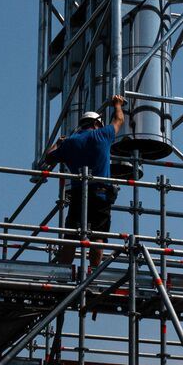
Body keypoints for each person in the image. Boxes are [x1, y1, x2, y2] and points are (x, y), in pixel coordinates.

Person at [42, 94, 127, 267]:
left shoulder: (70, 143)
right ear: (96, 124)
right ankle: (93, 276)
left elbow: (48, 158)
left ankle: (64, 273)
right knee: (98, 236)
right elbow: (119, 120)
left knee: (71, 236)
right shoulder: (102, 135)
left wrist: (58, 143)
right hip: (100, 194)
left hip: (78, 194)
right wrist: (117, 104)